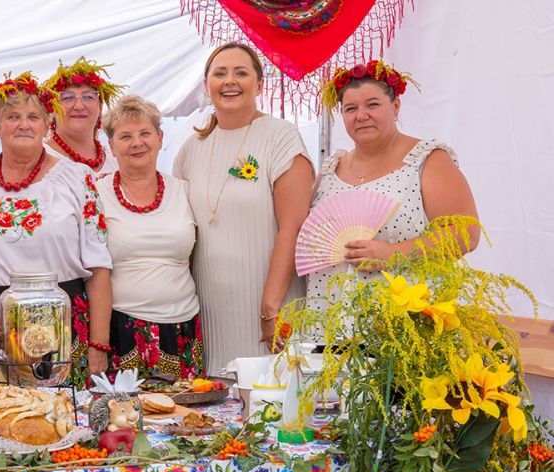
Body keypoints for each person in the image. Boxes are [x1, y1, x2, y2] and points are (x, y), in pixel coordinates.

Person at [0, 72, 113, 382]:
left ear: (47, 124)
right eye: (13, 117)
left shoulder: (76, 178)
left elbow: (99, 266)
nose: (24, 124)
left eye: (33, 117)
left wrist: (98, 345)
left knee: (57, 411)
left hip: (57, 324)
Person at [173, 42, 314, 373]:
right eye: (220, 73)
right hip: (210, 308)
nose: (229, 81)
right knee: (217, 395)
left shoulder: (281, 137)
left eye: (241, 73)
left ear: (260, 84)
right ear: (206, 84)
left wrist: (270, 306)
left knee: (271, 392)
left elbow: (293, 227)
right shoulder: (190, 149)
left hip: (272, 303)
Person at [306, 60, 480, 309]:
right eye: (350, 108)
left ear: (396, 106)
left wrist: (392, 253)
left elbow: (466, 234)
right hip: (327, 314)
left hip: (403, 316)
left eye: (372, 105)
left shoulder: (426, 160)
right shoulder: (331, 169)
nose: (361, 116)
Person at [97, 95, 203, 380]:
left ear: (160, 138)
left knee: (185, 406)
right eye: (125, 136)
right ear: (111, 146)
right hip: (121, 328)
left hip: (182, 326)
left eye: (145, 133)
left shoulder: (184, 190)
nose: (137, 143)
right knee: (123, 408)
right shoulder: (96, 194)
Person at [43, 57, 124, 176]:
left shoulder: (118, 159)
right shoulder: (37, 159)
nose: (79, 106)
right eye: (67, 98)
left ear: (100, 107)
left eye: (88, 97)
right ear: (52, 109)